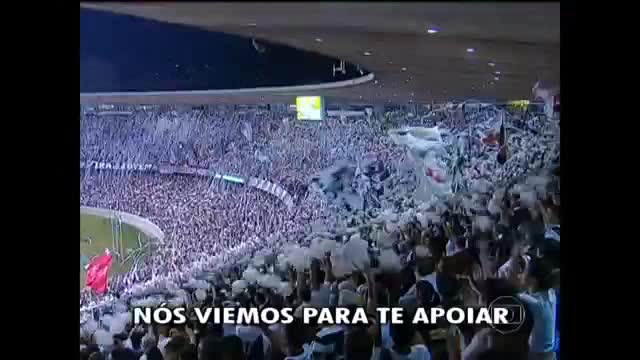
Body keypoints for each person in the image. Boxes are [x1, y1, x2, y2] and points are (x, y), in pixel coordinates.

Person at [519, 257, 557, 360]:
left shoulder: (532, 302)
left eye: (524, 271)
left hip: (536, 356)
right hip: (551, 355)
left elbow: (514, 296)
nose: (520, 275)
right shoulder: (551, 294)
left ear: (533, 280)